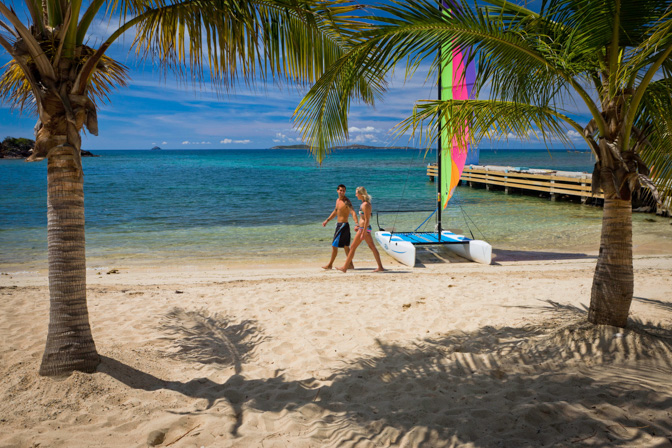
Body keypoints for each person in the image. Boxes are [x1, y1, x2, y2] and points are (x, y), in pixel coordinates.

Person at [338, 186, 385, 273]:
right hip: (363, 228)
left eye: (357, 193)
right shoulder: (364, 203)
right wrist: (358, 226)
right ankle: (380, 267)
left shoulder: (365, 205)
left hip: (364, 229)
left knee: (353, 247)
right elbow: (363, 219)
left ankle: (345, 267)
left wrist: (363, 232)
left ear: (361, 194)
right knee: (372, 247)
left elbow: (367, 219)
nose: (356, 195)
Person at [322, 184, 358, 270]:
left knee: (334, 245)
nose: (342, 192)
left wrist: (356, 223)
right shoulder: (337, 200)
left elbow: (352, 212)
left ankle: (330, 265)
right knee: (346, 247)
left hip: (343, 226)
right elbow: (335, 211)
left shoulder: (346, 201)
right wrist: (327, 220)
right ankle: (350, 265)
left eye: (343, 191)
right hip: (341, 225)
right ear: (337, 190)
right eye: (340, 190)